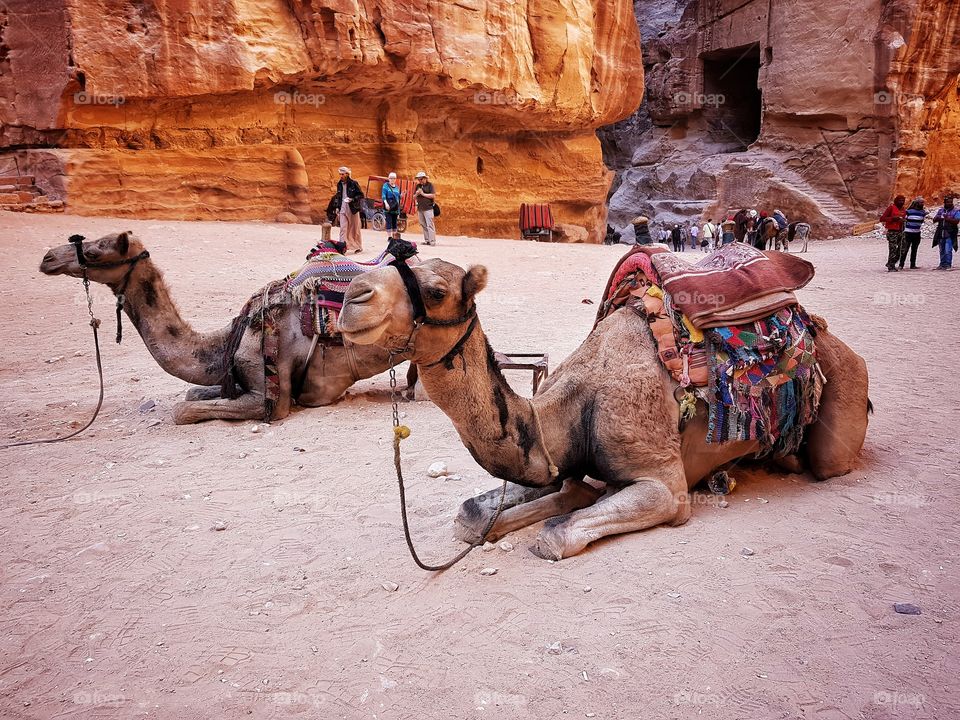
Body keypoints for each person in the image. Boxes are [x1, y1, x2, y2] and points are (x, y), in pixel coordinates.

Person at [332, 166, 364, 254]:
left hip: (352, 208)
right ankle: (342, 247)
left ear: (347, 174)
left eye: (342, 174)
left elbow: (361, 195)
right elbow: (338, 196)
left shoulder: (354, 183)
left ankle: (358, 246)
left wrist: (352, 199)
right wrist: (337, 207)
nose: (341, 176)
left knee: (355, 228)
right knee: (343, 228)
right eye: (340, 174)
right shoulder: (339, 184)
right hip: (342, 208)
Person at [880, 194, 907, 271]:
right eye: (900, 200)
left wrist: (903, 220)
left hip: (901, 231)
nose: (901, 202)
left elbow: (904, 218)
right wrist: (893, 219)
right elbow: (882, 218)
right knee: (893, 249)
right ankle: (891, 266)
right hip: (892, 232)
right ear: (896, 201)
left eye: (903, 201)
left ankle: (891, 262)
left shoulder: (903, 209)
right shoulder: (891, 208)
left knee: (902, 249)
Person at [900, 197, 928, 269]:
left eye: (923, 202)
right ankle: (901, 264)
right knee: (905, 249)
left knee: (914, 249)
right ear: (917, 203)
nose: (922, 204)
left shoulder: (923, 212)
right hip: (908, 233)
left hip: (917, 233)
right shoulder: (909, 211)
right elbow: (903, 220)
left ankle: (912, 265)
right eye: (921, 202)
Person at [933, 196, 960, 270]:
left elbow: (956, 221)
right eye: (948, 202)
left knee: (948, 250)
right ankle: (942, 264)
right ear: (944, 202)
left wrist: (946, 218)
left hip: (950, 233)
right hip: (941, 233)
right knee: (941, 250)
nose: (950, 203)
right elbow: (934, 220)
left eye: (951, 202)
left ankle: (948, 265)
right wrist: (938, 218)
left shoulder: (956, 211)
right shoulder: (941, 210)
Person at [414, 171, 437, 246]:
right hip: (420, 208)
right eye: (419, 179)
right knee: (423, 224)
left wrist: (423, 194)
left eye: (421, 179)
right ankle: (427, 240)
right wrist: (417, 194)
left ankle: (432, 241)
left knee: (430, 224)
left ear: (425, 178)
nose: (420, 181)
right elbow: (413, 197)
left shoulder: (430, 185)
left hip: (428, 208)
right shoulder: (418, 186)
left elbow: (433, 195)